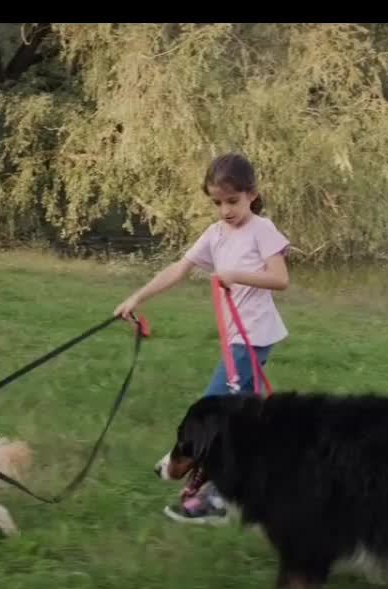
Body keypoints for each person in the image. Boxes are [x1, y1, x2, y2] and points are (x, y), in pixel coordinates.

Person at [113, 153, 290, 525]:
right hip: (235, 341)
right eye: (217, 202)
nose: (225, 210)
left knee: (212, 413)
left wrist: (236, 274)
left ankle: (218, 499)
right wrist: (137, 297)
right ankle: (240, 486)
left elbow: (280, 279)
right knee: (235, 419)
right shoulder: (215, 234)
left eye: (232, 201)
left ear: (252, 194)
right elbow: (179, 268)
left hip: (253, 338)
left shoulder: (263, 230)